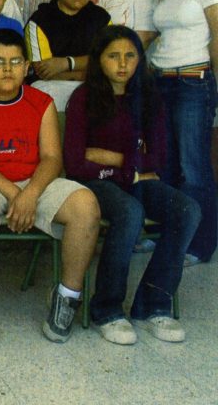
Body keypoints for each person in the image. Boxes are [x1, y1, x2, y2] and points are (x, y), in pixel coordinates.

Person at [0, 30, 100, 344]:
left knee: (86, 206)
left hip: (35, 182)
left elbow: (52, 158)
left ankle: (67, 296)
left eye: (16, 62)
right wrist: (15, 194)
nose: (7, 69)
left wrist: (30, 193)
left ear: (27, 66)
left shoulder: (41, 102)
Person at [64, 26, 198, 344]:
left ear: (140, 59)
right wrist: (133, 166)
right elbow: (76, 163)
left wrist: (112, 158)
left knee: (187, 209)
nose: (122, 64)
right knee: (129, 211)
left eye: (130, 55)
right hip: (94, 184)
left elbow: (159, 159)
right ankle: (107, 309)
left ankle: (153, 305)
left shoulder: (149, 98)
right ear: (99, 59)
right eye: (113, 56)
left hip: (128, 178)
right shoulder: (83, 97)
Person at [148, 0, 218, 266]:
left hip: (193, 82)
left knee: (194, 168)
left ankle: (200, 244)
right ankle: (169, 236)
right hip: (161, 82)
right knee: (166, 166)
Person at [25, 0, 111, 108]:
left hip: (92, 85)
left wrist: (66, 63)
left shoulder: (102, 18)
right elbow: (43, 72)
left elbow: (108, 61)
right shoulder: (39, 20)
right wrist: (90, 69)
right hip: (52, 86)